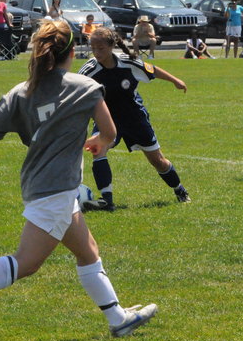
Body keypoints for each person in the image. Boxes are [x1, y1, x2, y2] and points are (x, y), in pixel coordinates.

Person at [0, 20, 158, 341]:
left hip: (41, 184)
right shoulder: (85, 87)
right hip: (56, 189)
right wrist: (98, 142)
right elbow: (109, 133)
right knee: (27, 262)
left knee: (88, 252)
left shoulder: (23, 90)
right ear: (72, 52)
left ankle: (118, 319)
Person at [79, 27, 191, 210]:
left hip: (134, 118)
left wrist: (175, 81)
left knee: (157, 161)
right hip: (107, 118)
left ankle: (180, 190)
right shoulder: (89, 70)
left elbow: (153, 70)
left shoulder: (128, 63)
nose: (96, 53)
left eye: (101, 48)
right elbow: (74, 89)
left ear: (111, 46)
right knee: (99, 150)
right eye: (93, 48)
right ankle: (107, 201)